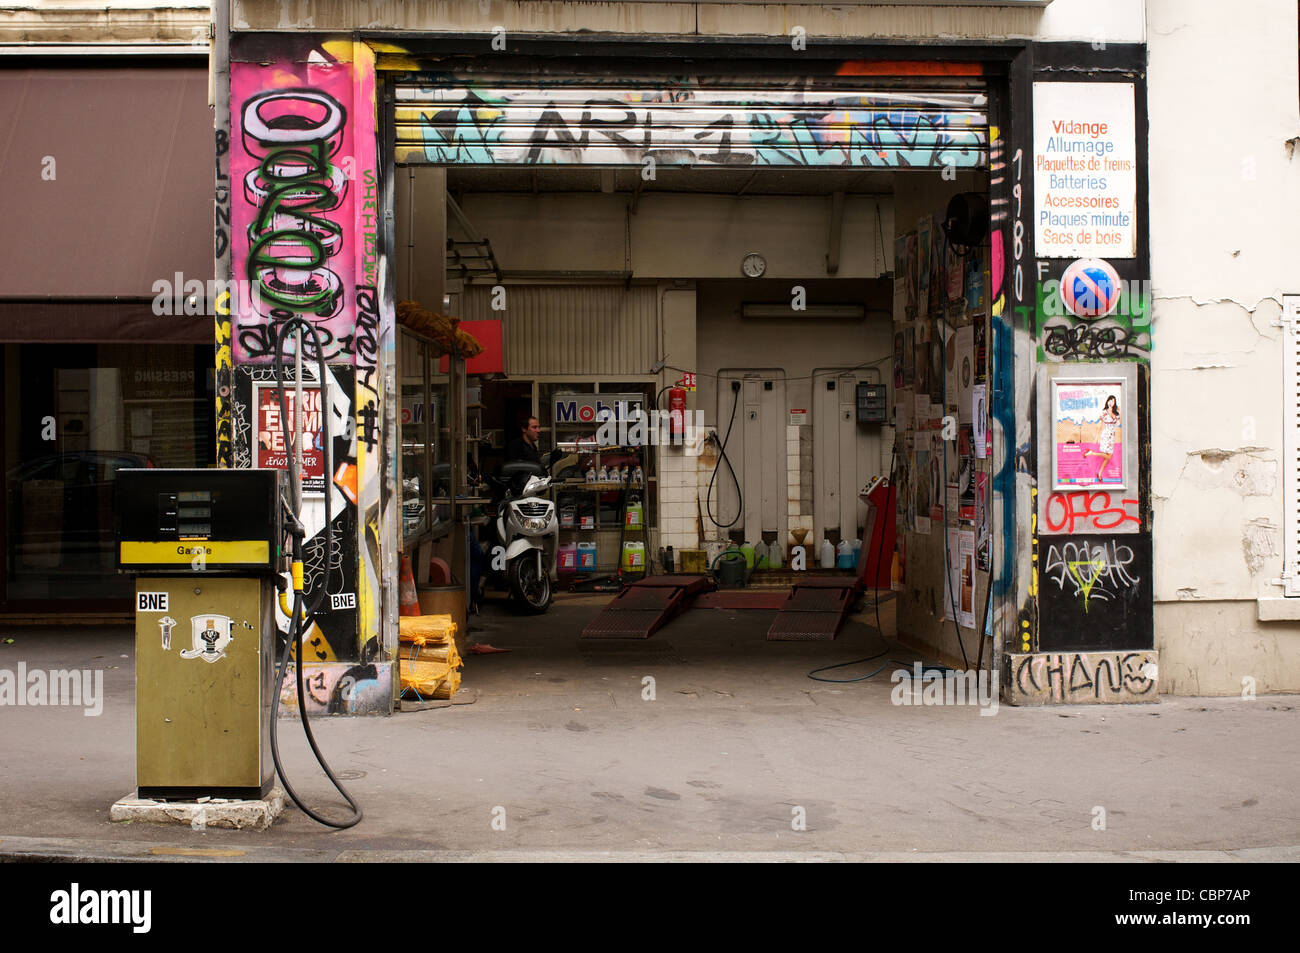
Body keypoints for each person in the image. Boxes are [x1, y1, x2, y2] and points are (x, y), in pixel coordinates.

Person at [1084, 395, 1120, 484]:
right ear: (1107, 401)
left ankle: (1099, 472)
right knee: (1109, 455)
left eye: (1113, 401)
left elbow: (1119, 423)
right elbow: (1100, 425)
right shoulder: (1104, 412)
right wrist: (1097, 436)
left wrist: (1118, 410)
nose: (1111, 402)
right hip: (1106, 435)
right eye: (1110, 400)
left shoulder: (1116, 413)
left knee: (1108, 456)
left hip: (1112, 436)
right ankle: (1092, 453)